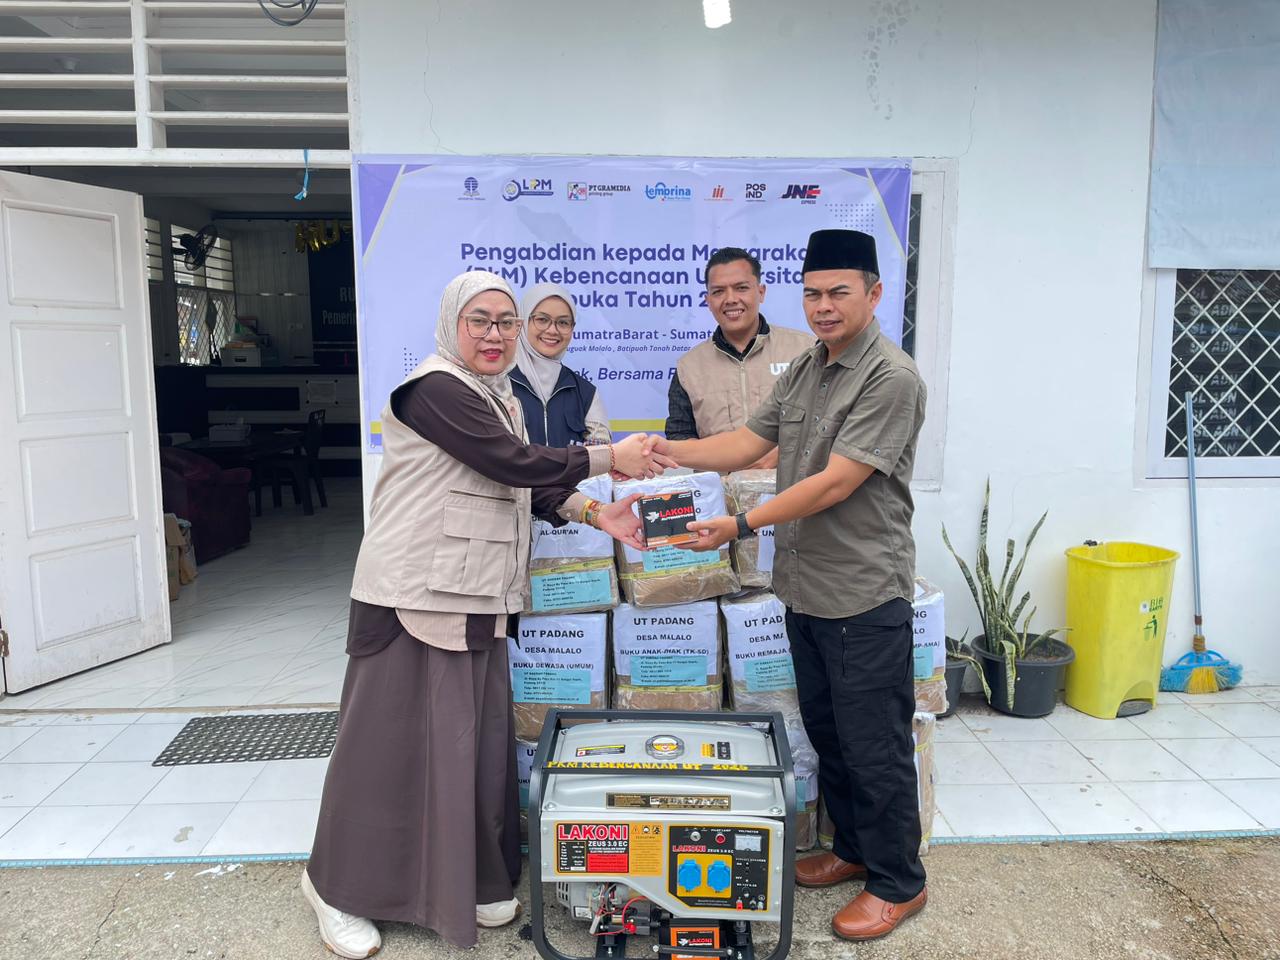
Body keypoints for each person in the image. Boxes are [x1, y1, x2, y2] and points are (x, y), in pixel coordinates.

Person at [300, 271, 673, 958]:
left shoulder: (497, 396)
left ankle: (461, 882)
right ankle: (336, 886)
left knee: (469, 750)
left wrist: (598, 512)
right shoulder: (434, 389)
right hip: (412, 597)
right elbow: (511, 460)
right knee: (385, 751)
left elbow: (522, 484)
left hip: (475, 594)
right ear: (452, 323)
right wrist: (610, 456)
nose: (495, 334)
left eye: (506, 321)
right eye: (480, 320)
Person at [649, 230, 928, 942]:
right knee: (830, 733)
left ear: (874, 293)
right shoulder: (807, 366)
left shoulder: (891, 377)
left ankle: (899, 881)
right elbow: (744, 442)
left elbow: (835, 482)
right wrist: (660, 452)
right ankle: (853, 849)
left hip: (863, 591)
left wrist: (739, 524)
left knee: (875, 743)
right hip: (804, 587)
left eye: (839, 292)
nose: (824, 306)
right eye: (813, 294)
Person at [665, 247, 813, 468]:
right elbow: (679, 440)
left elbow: (831, 422)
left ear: (761, 292)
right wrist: (727, 461)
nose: (731, 299)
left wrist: (779, 454)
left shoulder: (806, 351)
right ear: (708, 300)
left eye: (741, 288)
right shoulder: (689, 367)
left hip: (797, 486)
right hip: (721, 488)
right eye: (718, 291)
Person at [511, 282, 611, 446]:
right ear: (523, 322)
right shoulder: (498, 383)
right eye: (542, 319)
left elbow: (601, 455)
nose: (552, 330)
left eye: (563, 322)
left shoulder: (585, 393)